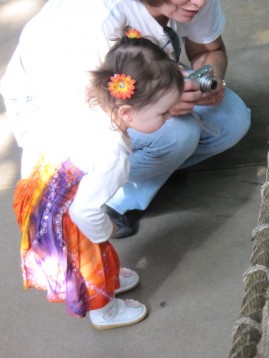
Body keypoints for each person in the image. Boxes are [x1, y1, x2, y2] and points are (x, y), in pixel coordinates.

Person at [1, 0, 251, 238]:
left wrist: (211, 78)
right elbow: (82, 111)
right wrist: (167, 102)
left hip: (139, 85)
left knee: (231, 120)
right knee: (176, 136)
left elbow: (209, 49)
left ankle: (149, 171)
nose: (199, 3)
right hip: (65, 104)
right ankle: (107, 200)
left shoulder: (194, 2)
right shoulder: (94, 19)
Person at [12, 34, 185, 330]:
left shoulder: (97, 102)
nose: (170, 117)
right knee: (90, 258)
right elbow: (85, 211)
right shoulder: (113, 153)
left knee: (97, 252)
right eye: (164, 112)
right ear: (126, 112)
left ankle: (111, 277)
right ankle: (104, 310)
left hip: (46, 185)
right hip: (67, 211)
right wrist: (104, 232)